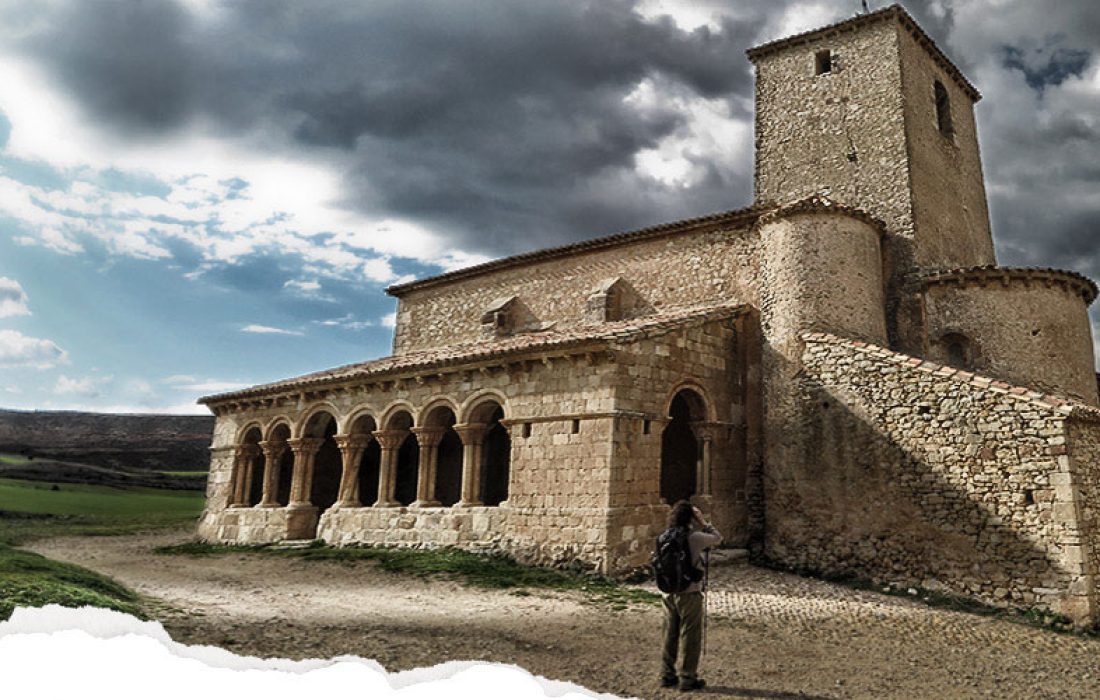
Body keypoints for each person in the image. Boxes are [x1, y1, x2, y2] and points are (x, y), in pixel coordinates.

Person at [659, 500, 722, 692]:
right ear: (690, 518)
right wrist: (703, 522)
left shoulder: (664, 537)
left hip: (668, 593)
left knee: (669, 634)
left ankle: (666, 675)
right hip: (690, 593)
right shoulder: (695, 538)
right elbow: (718, 538)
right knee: (690, 636)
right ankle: (687, 678)